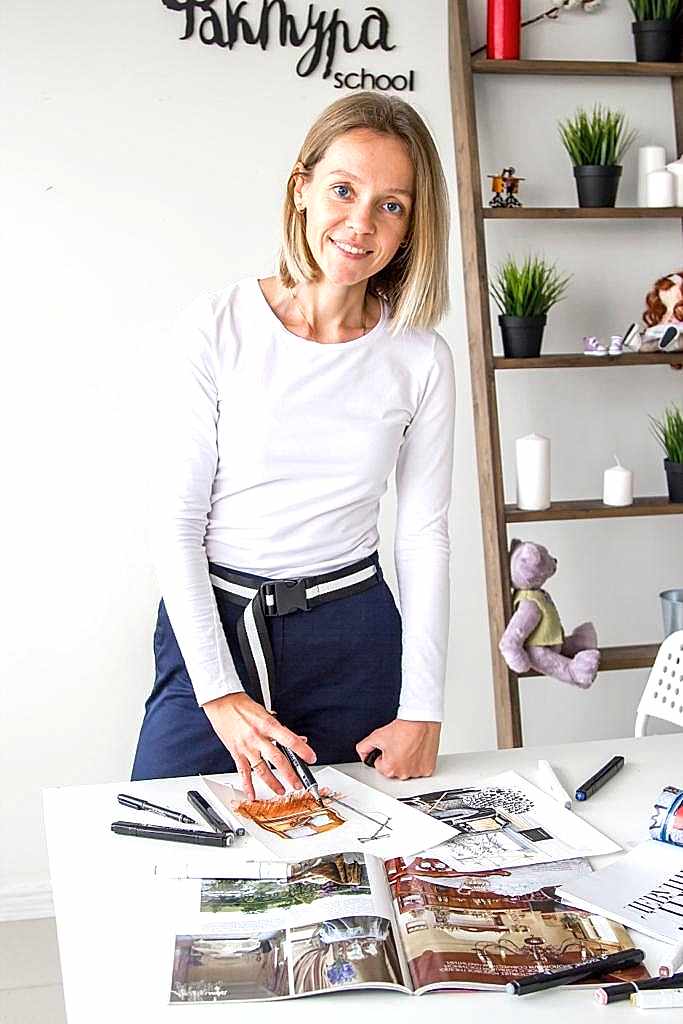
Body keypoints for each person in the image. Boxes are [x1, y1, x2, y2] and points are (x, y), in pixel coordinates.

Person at [131, 91, 455, 799]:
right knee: (164, 840)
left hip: (354, 637)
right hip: (218, 624)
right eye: (343, 190)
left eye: (392, 205)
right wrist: (219, 695)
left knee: (359, 852)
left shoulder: (421, 358)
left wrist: (423, 707)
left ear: (412, 225)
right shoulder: (215, 327)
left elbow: (423, 536)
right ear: (301, 188)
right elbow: (176, 522)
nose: (361, 223)